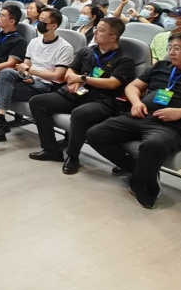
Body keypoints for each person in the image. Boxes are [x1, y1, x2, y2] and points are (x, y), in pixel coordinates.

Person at [85, 31, 181, 209]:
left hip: (173, 125)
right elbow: (132, 86)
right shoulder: (161, 66)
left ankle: (142, 184)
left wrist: (180, 113)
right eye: (170, 48)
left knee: (153, 144)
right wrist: (136, 102)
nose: (171, 52)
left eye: (177, 48)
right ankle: (140, 170)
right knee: (94, 134)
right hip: (141, 115)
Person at [26, 16, 136, 173]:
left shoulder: (124, 59)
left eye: (101, 30)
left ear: (113, 37)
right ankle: (51, 149)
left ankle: (73, 156)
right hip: (76, 94)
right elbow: (71, 69)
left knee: (80, 113)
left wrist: (83, 79)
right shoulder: (87, 51)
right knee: (38, 102)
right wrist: (73, 80)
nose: (95, 32)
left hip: (101, 101)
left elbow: (113, 83)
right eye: (96, 28)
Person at [0, 8, 74, 143]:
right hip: (28, 79)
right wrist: (26, 74)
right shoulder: (34, 42)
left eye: (44, 21)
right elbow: (24, 66)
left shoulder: (64, 47)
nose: (39, 23)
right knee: (6, 73)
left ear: (53, 25)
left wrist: (30, 71)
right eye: (39, 20)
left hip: (44, 85)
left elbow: (56, 76)